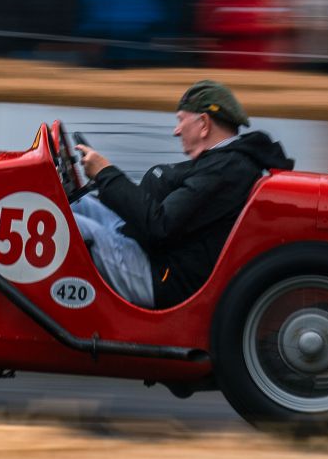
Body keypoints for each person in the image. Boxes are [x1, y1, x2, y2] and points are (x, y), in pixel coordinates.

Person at [72, 80, 294, 309]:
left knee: (64, 223)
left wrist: (106, 173)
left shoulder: (226, 169)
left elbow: (160, 225)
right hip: (150, 249)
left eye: (180, 120)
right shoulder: (224, 161)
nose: (176, 131)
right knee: (77, 203)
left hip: (163, 276)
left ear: (204, 123)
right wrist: (103, 178)